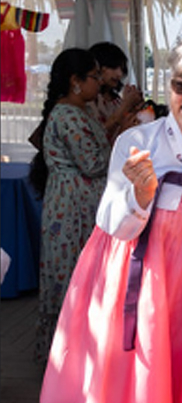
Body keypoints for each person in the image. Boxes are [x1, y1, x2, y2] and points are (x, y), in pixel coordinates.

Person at [40, 38, 182, 403]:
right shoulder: (136, 141)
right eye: (180, 85)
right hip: (145, 278)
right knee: (145, 365)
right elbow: (110, 224)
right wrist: (140, 197)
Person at [28, 48, 111, 363]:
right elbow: (91, 163)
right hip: (72, 206)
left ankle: (76, 352)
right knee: (70, 273)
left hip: (76, 202)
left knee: (77, 272)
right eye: (94, 77)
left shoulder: (79, 111)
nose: (99, 84)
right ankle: (66, 357)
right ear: (76, 81)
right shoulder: (68, 115)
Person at [88, 41, 144, 142]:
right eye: (113, 67)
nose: (119, 74)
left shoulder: (117, 101)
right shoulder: (90, 101)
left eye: (122, 69)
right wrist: (126, 105)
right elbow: (97, 136)